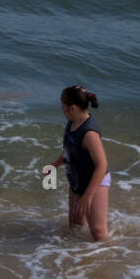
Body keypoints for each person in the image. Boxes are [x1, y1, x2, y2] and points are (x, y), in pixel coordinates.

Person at [50, 84, 110, 241]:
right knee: (75, 224)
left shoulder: (89, 133)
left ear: (73, 108)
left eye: (63, 107)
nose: (62, 111)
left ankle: (109, 259)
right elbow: (70, 150)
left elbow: (102, 165)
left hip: (95, 182)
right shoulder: (72, 123)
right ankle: (78, 258)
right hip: (78, 179)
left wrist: (88, 196)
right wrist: (55, 165)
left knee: (98, 231)